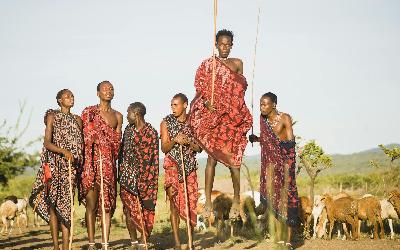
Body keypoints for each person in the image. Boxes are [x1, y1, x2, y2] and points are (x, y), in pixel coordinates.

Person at [189, 29, 252, 219]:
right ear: (216, 44)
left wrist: (234, 108)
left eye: (228, 44)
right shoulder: (208, 65)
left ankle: (235, 200)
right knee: (211, 159)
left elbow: (239, 89)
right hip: (214, 117)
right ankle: (207, 201)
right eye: (221, 44)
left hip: (231, 117)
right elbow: (200, 88)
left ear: (232, 45)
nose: (224, 47)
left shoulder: (238, 64)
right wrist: (206, 102)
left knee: (235, 161)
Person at [30, 89, 84, 250]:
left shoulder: (78, 120)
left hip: (70, 169)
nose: (71, 98)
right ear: (60, 100)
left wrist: (75, 157)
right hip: (54, 165)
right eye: (67, 96)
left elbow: (79, 144)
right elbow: (47, 143)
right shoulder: (53, 116)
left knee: (67, 206)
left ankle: (66, 246)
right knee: (54, 205)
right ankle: (56, 246)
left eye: (72, 96)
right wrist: (63, 151)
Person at [249, 92, 299, 248]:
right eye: (260, 104)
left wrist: (287, 166)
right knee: (274, 201)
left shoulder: (285, 118)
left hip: (285, 165)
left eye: (264, 104)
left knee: (287, 200)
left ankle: (289, 241)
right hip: (270, 168)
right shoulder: (263, 120)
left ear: (274, 105)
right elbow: (266, 141)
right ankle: (279, 238)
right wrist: (256, 139)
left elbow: (291, 143)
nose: (262, 107)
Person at [79, 81, 123, 250]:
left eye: (111, 88)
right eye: (104, 89)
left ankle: (105, 243)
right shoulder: (89, 113)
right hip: (90, 165)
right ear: (97, 93)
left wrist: (106, 146)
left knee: (107, 205)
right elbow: (83, 137)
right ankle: (91, 243)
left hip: (109, 166)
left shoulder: (118, 116)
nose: (108, 91)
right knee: (91, 203)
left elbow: (117, 144)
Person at [161, 93, 202, 250]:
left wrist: (189, 142)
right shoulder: (166, 122)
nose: (173, 108)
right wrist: (175, 140)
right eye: (171, 105)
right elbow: (164, 148)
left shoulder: (194, 122)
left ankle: (190, 242)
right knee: (174, 206)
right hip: (172, 167)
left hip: (189, 168)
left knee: (191, 204)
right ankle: (177, 243)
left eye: (176, 105)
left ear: (185, 105)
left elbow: (199, 148)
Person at [119, 102, 159, 250]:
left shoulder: (151, 132)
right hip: (127, 178)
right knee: (128, 210)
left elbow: (151, 158)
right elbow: (123, 152)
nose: (127, 116)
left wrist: (142, 178)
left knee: (146, 210)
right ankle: (134, 243)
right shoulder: (128, 130)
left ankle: (144, 241)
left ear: (136, 114)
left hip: (146, 178)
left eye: (128, 113)